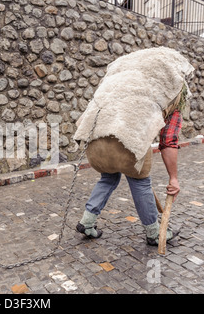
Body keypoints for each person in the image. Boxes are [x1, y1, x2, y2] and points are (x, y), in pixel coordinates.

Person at [73, 47, 194, 246]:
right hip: (128, 144)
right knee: (140, 183)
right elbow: (169, 141)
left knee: (108, 177)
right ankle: (154, 233)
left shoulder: (119, 85)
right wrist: (174, 178)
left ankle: (87, 222)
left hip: (94, 145)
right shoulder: (174, 93)